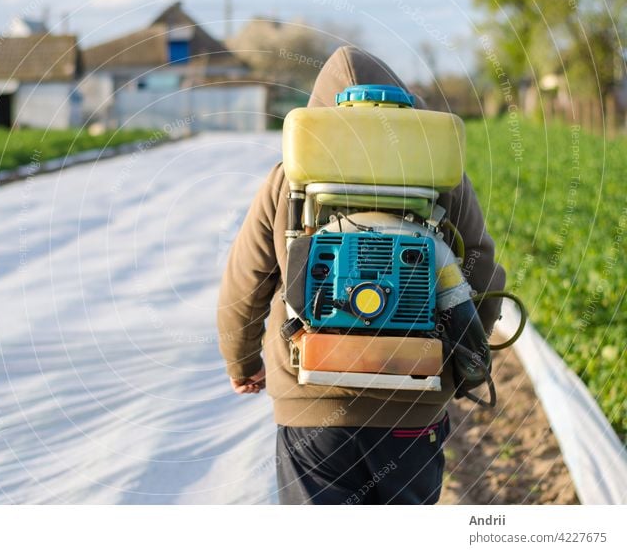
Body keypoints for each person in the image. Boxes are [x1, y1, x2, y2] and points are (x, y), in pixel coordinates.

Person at [216, 46, 506, 505]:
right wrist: (466, 366)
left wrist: (243, 362)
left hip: (311, 402)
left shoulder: (288, 178)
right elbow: (484, 273)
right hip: (414, 402)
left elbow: (245, 281)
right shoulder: (442, 174)